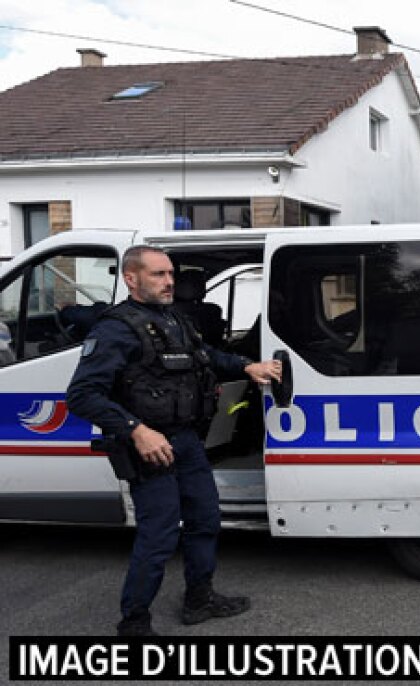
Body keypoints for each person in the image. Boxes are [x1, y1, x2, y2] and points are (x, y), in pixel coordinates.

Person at [66, 245, 281, 637]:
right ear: (131, 278)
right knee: (160, 534)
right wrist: (137, 430)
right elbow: (82, 395)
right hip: (150, 447)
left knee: (205, 519)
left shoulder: (174, 319)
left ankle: (199, 599)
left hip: (186, 441)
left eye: (170, 274)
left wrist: (248, 366)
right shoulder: (116, 328)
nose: (170, 282)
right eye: (158, 275)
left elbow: (206, 356)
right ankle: (134, 623)